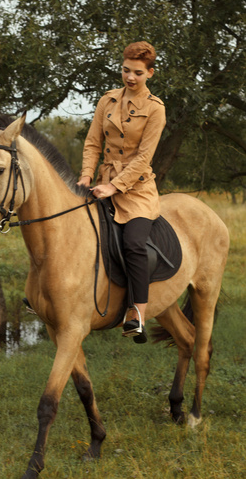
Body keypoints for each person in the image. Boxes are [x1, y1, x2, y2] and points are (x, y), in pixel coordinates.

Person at [77, 41, 166, 344]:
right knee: (75, 231)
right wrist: (86, 175)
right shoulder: (107, 100)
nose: (130, 77)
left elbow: (143, 157)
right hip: (101, 182)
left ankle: (137, 313)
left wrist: (115, 186)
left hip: (137, 190)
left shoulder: (155, 110)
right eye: (126, 70)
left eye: (138, 73)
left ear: (150, 73)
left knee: (133, 244)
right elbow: (92, 143)